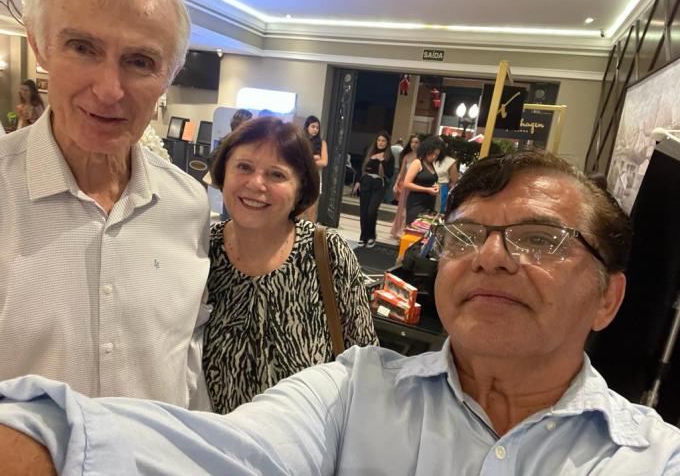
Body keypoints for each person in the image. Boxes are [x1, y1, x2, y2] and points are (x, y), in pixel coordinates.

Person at [5, 150, 680, 475]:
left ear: (608, 297)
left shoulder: (651, 458)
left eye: (539, 239)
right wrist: (48, 437)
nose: (491, 257)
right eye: (467, 235)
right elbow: (231, 453)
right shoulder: (353, 392)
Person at [0, 0, 210, 407]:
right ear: (39, 44)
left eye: (141, 62)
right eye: (82, 48)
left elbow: (186, 367)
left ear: (169, 75)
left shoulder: (188, 205)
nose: (110, 90)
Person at [203, 116, 377, 413]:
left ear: (300, 188)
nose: (256, 184)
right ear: (223, 173)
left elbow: (366, 368)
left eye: (276, 174)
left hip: (310, 440)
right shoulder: (202, 250)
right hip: (210, 439)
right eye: (244, 167)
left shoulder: (326, 252)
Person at [353, 130, 394, 247]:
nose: (380, 143)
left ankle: (371, 236)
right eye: (379, 140)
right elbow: (361, 167)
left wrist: (383, 161)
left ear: (387, 143)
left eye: (383, 141)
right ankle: (363, 236)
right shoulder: (369, 151)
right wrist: (357, 181)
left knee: (371, 211)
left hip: (379, 184)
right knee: (364, 212)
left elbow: (390, 174)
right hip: (366, 182)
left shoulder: (389, 156)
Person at [403, 136, 443, 225]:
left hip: (429, 204)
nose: (434, 157)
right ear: (426, 150)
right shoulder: (417, 163)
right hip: (416, 204)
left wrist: (436, 187)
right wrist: (427, 189)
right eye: (432, 153)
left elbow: (430, 181)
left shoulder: (431, 165)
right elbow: (407, 183)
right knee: (414, 229)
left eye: (437, 155)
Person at [390, 134, 420, 238]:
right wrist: (396, 183)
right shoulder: (407, 156)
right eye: (412, 142)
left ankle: (408, 231)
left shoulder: (422, 157)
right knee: (402, 209)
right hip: (406, 187)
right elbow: (401, 172)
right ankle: (399, 230)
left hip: (416, 186)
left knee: (411, 209)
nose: (413, 144)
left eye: (416, 142)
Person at [301, 115, 327, 222]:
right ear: (307, 126)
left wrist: (308, 160)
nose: (315, 129)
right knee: (299, 208)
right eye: (313, 126)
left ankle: (311, 231)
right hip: (301, 175)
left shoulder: (322, 143)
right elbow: (298, 158)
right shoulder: (301, 140)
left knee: (311, 210)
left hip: (314, 177)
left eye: (317, 127)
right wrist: (314, 158)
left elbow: (324, 162)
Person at [433, 139, 458, 213]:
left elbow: (454, 181)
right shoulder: (431, 158)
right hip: (428, 188)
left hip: (442, 189)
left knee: (438, 212)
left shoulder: (450, 161)